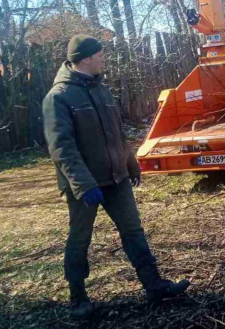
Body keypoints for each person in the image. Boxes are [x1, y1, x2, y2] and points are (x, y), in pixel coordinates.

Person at [42, 35, 190, 319]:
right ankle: (78, 298)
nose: (103, 58)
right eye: (99, 54)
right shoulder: (58, 97)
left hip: (117, 178)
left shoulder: (102, 91)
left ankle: (154, 285)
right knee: (80, 238)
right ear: (85, 58)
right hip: (85, 185)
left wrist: (131, 165)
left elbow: (117, 135)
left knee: (133, 231)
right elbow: (62, 147)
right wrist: (84, 185)